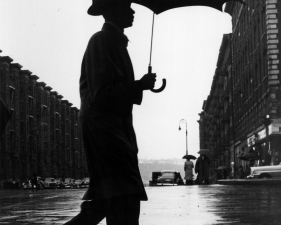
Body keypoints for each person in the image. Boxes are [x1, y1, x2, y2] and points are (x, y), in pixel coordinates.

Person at [64, 1, 156, 224]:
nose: (133, 12)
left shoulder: (115, 42)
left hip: (112, 130)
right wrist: (138, 85)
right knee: (123, 195)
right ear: (113, 10)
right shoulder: (101, 40)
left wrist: (140, 85)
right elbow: (102, 93)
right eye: (127, 7)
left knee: (113, 198)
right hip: (105, 131)